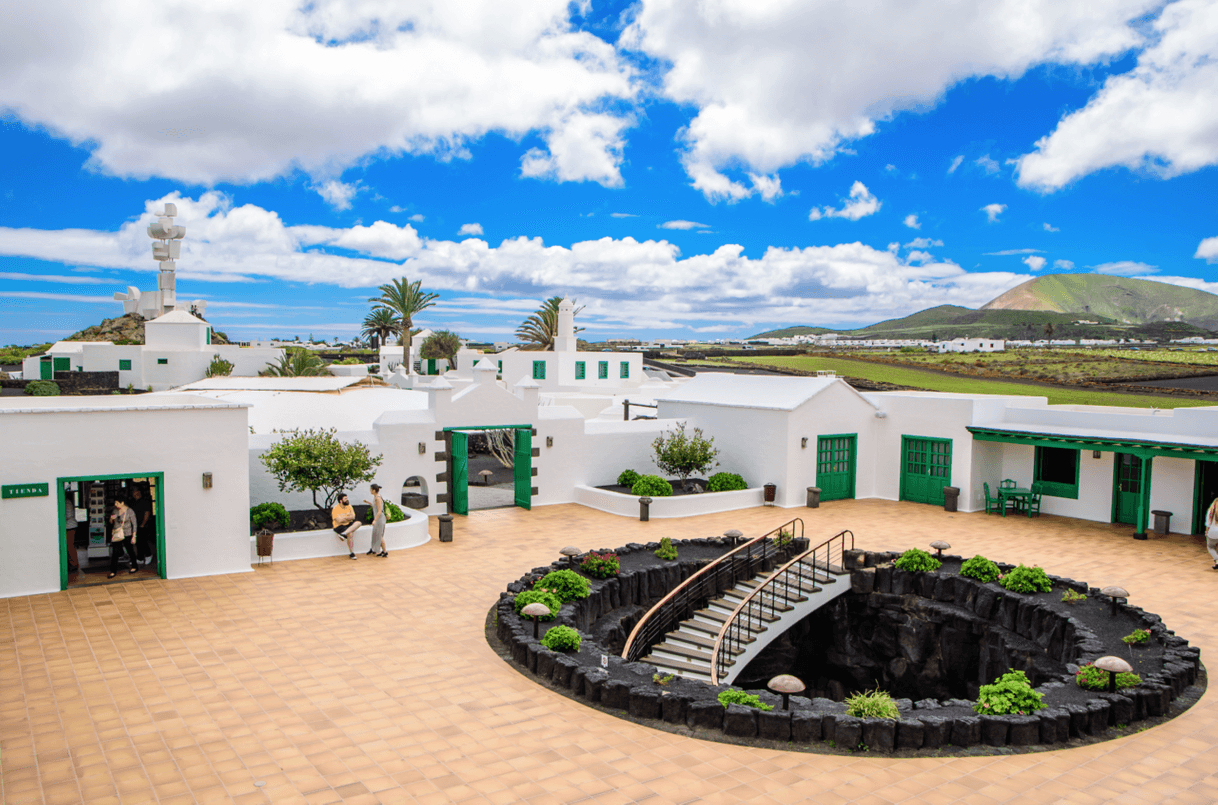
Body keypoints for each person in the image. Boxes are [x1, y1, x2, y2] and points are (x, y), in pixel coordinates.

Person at [108, 498, 139, 579]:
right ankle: (113, 571)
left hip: (127, 533)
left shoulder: (130, 511)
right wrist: (111, 518)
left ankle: (135, 566)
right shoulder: (115, 511)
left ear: (122, 503)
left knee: (130, 550)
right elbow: (111, 522)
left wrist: (134, 536)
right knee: (115, 552)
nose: (115, 504)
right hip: (117, 533)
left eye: (117, 503)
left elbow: (134, 524)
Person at [331, 493, 361, 559]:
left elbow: (353, 517)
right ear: (340, 501)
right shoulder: (336, 508)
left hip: (348, 524)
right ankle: (352, 553)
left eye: (347, 498)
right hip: (339, 526)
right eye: (345, 499)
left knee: (358, 523)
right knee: (350, 533)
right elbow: (339, 520)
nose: (347, 500)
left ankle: (343, 534)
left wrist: (344, 517)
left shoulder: (349, 506)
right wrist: (348, 517)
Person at [130, 486, 155, 565]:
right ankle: (140, 558)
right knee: (138, 542)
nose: (132, 493)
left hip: (143, 525)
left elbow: (146, 513)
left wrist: (143, 524)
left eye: (133, 491)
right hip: (135, 525)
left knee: (143, 541)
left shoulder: (144, 501)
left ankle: (148, 555)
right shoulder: (133, 502)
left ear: (138, 492)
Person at [364, 484, 388, 557]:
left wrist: (375, 520)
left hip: (380, 519)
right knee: (376, 534)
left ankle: (384, 551)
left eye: (371, 489)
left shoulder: (378, 498)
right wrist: (368, 502)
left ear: (374, 490)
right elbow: (375, 506)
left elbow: (379, 511)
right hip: (378, 518)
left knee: (379, 535)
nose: (370, 491)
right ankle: (375, 549)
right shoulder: (375, 498)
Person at [64, 488, 80, 573]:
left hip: (69, 527)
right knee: (69, 546)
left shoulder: (66, 503)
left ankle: (74, 564)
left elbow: (67, 515)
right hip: (70, 526)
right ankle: (72, 564)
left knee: (69, 546)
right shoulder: (68, 502)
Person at [1206, 497, 1218, 570]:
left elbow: (1208, 524)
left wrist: (1206, 532)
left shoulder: (1211, 511)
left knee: (1210, 547)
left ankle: (1217, 560)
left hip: (1213, 532)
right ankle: (1216, 563)